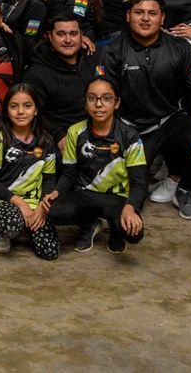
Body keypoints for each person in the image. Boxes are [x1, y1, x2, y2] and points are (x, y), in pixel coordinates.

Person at [96, 0, 191, 221]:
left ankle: (184, 190)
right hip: (130, 129)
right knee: (129, 198)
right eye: (139, 12)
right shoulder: (113, 51)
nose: (145, 18)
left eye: (152, 13)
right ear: (128, 16)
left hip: (168, 120)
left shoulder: (181, 48)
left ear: (162, 18)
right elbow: (103, 98)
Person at [49, 77, 147, 254]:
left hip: (117, 198)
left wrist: (130, 208)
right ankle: (89, 224)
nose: (99, 104)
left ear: (116, 103)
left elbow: (139, 182)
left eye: (106, 98)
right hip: (85, 194)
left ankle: (116, 229)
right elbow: (69, 174)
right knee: (52, 210)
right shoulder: (75, 132)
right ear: (86, 103)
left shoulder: (129, 135)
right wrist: (56, 191)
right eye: (92, 98)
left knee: (134, 233)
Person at [0, 83, 59, 260]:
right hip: (6, 200)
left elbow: (49, 180)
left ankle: (26, 230)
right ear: (7, 111)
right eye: (14, 106)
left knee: (50, 252)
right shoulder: (0, 139)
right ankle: (3, 231)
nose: (20, 111)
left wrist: (42, 207)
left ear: (36, 110)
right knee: (12, 225)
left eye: (27, 106)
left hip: (35, 202)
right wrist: (20, 203)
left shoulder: (46, 142)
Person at [23, 14, 97, 144]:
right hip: (58, 139)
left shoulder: (93, 59)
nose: (68, 40)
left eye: (73, 34)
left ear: (82, 36)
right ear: (50, 37)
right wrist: (58, 136)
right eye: (61, 34)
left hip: (97, 133)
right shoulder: (36, 73)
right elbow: (30, 112)